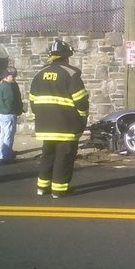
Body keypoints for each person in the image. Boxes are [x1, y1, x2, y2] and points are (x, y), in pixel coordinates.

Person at [29, 40, 89, 198]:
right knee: (64, 158)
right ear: (67, 56)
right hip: (66, 127)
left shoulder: (39, 74)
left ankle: (42, 188)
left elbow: (32, 100)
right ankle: (59, 190)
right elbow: (81, 101)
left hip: (45, 127)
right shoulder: (71, 73)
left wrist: (42, 117)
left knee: (47, 156)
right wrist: (82, 118)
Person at [0, 67, 24, 163]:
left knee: (3, 133)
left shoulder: (1, 84)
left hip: (2, 113)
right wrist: (17, 110)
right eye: (12, 76)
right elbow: (11, 101)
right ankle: (6, 156)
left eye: (15, 75)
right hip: (9, 114)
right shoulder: (8, 87)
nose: (14, 77)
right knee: (8, 134)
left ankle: (2, 153)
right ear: (6, 76)